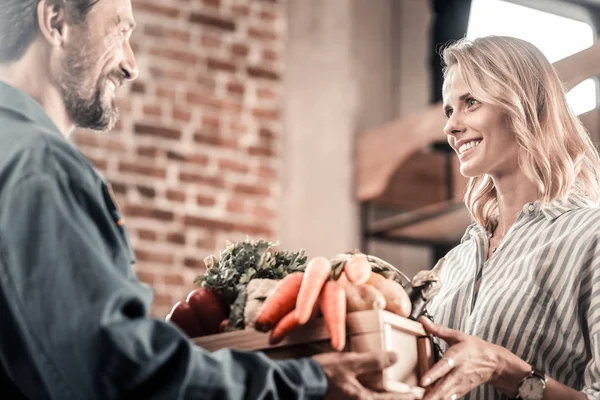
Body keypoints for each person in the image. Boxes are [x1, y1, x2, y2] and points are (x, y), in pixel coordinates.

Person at [0, 1, 405, 399]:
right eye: (119, 30)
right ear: (56, 21)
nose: (130, 64)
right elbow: (121, 370)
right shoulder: (42, 166)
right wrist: (306, 382)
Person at [418, 36, 600, 400]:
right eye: (449, 110)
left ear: (525, 106)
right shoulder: (454, 264)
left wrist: (507, 371)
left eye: (470, 102)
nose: (451, 127)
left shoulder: (591, 235)